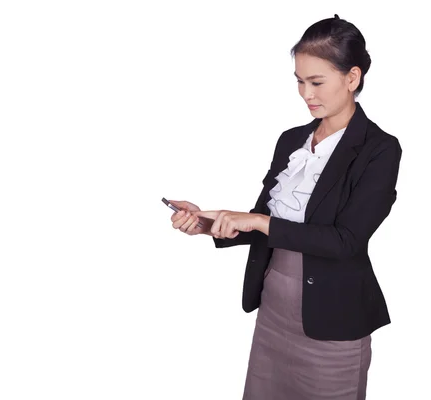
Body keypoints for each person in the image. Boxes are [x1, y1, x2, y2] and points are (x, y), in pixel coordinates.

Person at [168, 14, 402, 400]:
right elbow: (267, 221)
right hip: (274, 314)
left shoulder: (379, 149)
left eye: (316, 82)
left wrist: (259, 221)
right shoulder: (291, 140)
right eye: (299, 81)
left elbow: (346, 241)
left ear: (352, 77)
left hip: (334, 321)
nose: (305, 93)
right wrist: (208, 223)